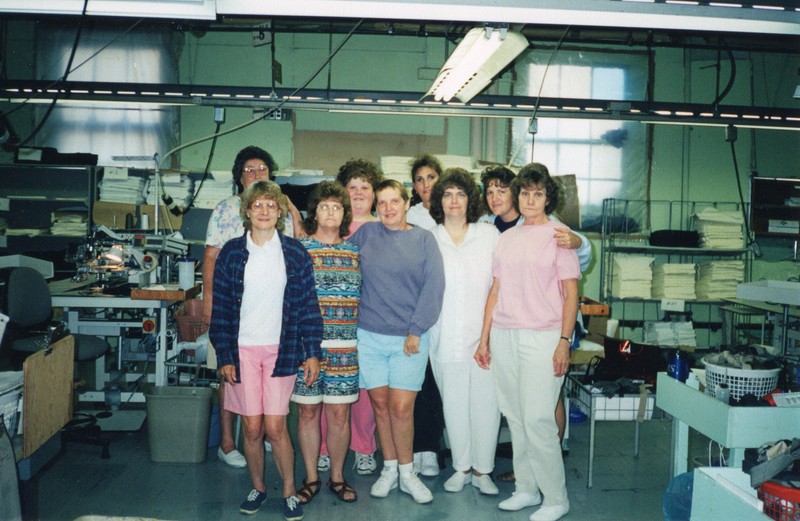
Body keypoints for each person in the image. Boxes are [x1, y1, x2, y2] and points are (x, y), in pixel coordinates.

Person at [208, 180, 322, 521]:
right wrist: (225, 355)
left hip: (281, 350)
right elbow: (223, 310)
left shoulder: (294, 253)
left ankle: (289, 491)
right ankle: (258, 487)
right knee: (253, 428)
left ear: (281, 212)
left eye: (271, 206)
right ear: (247, 211)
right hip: (242, 352)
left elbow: (307, 306)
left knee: (275, 427)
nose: (264, 211)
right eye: (257, 205)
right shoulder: (231, 252)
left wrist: (312, 351)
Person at [475, 163, 579, 521]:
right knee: (516, 417)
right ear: (517, 196)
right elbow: (495, 291)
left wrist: (564, 341)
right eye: (525, 192)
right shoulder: (507, 237)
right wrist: (484, 338)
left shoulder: (560, 235)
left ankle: (556, 498)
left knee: (538, 419)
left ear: (548, 197)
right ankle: (526, 488)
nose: (530, 199)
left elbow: (571, 294)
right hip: (505, 333)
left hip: (544, 336)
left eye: (538, 193)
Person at [203, 145, 303, 468]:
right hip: (235, 317)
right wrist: (209, 304)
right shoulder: (224, 210)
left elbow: (298, 242)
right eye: (249, 170)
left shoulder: (283, 205)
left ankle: (266, 436)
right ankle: (228, 441)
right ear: (239, 177)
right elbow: (211, 258)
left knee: (267, 407)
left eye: (262, 169)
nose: (256, 174)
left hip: (272, 323)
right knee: (231, 379)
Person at [348, 179, 445, 504]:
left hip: (410, 340)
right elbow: (341, 260)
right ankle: (389, 469)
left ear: (406, 203)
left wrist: (416, 330)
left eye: (394, 201)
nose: (388, 208)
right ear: (376, 207)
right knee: (379, 405)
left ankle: (408, 473)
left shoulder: (423, 239)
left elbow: (434, 287)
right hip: (370, 337)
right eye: (382, 203)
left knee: (402, 408)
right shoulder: (366, 234)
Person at [426, 168, 502, 496]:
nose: (454, 201)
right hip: (444, 336)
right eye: (447, 194)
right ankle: (461, 467)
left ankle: (483, 470)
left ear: (470, 199)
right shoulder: (429, 237)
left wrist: (487, 337)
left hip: (486, 336)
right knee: (453, 405)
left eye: (460, 194)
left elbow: (500, 285)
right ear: (439, 200)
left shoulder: (488, 235)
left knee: (487, 404)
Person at [291, 181, 361, 505]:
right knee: (307, 414)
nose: (331, 211)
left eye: (337, 207)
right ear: (314, 212)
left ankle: (337, 477)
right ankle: (310, 478)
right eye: (324, 206)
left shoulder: (354, 252)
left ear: (344, 213)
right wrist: (307, 350)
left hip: (345, 348)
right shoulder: (301, 250)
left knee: (339, 416)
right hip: (310, 349)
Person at [313, 159, 383, 478]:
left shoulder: (382, 227)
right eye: (351, 187)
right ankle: (325, 448)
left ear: (374, 193)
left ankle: (364, 448)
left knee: (363, 392)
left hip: (367, 322)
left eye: (364, 187)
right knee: (331, 392)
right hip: (331, 325)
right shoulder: (328, 230)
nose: (357, 193)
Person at [404, 153, 445, 477]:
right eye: (419, 180)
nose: (425, 184)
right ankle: (416, 449)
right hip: (416, 307)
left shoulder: (453, 209)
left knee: (438, 384)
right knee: (416, 383)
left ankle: (432, 449)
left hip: (451, 310)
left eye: (430, 177)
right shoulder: (411, 215)